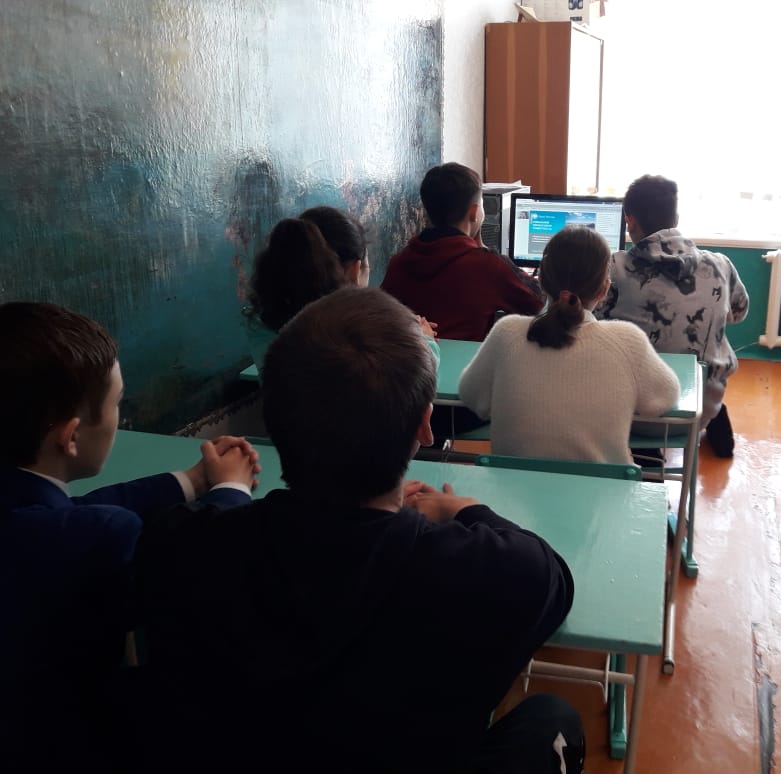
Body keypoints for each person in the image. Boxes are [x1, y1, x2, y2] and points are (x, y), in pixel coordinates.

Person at [133, 286, 584, 773]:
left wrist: (228, 494)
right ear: (424, 426)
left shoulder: (179, 546)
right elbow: (553, 579)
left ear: (273, 421)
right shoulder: (499, 571)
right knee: (553, 716)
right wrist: (466, 508)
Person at [0, 302, 259, 772]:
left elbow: (69, 511)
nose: (119, 416)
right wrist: (231, 491)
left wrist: (191, 481)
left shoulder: (34, 517)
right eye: (118, 403)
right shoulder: (99, 539)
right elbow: (198, 565)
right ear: (71, 437)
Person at [459, 226, 681, 464]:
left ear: (541, 280)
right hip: (603, 487)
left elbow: (472, 396)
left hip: (507, 486)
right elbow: (665, 398)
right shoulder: (627, 340)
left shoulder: (507, 332)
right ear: (604, 289)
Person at [596, 174, 749, 459]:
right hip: (700, 408)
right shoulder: (720, 264)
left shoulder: (614, 268)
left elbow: (592, 323)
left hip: (633, 413)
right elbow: (738, 313)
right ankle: (715, 415)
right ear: (676, 218)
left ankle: (645, 456)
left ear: (629, 221)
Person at [245, 212, 437, 377]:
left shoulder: (260, 322)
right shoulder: (350, 334)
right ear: (355, 271)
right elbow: (411, 376)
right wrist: (423, 340)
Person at [380, 162, 544, 342]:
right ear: (474, 212)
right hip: (467, 360)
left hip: (416, 359)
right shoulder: (488, 266)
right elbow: (539, 303)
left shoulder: (399, 263)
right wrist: (485, 251)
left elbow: (381, 316)